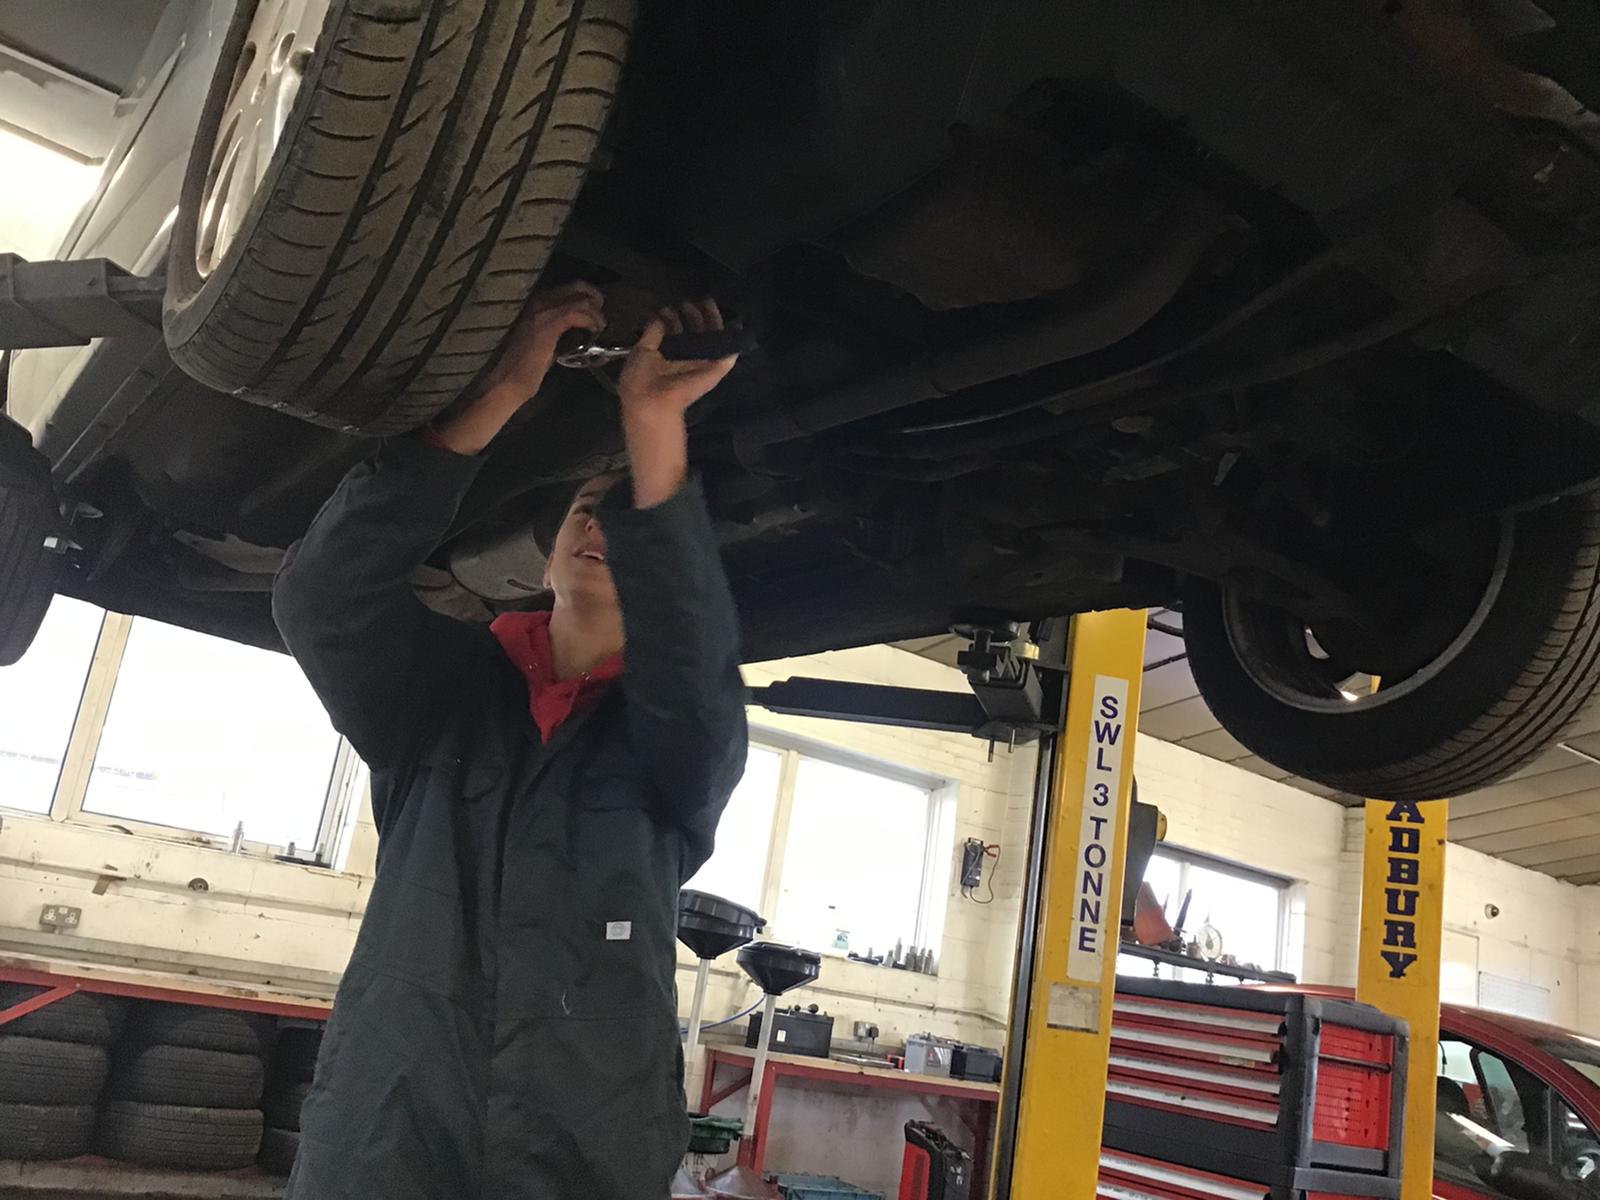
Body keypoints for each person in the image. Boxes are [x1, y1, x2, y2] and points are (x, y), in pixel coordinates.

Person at [272, 282, 749, 1199]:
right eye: (582, 508)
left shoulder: (675, 747)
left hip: (583, 1145)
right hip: (388, 1132)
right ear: (543, 559)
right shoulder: (441, 696)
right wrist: (497, 396)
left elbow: (694, 661)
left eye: (623, 515)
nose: (598, 522)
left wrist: (652, 422)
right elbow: (319, 597)